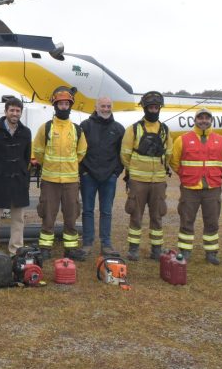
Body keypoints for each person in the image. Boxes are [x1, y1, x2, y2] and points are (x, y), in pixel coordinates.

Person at [169, 107, 222, 265]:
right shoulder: (182, 140)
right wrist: (186, 175)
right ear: (195, 120)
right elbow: (174, 162)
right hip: (190, 187)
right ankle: (185, 250)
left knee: (212, 222)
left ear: (211, 120)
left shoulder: (221, 140)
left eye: (207, 118)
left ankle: (211, 252)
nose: (204, 120)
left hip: (212, 187)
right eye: (200, 118)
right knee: (186, 220)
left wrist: (214, 174)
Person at [120, 91, 173, 261]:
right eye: (150, 107)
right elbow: (125, 154)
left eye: (156, 107)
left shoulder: (165, 130)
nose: (153, 110)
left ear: (159, 108)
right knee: (136, 216)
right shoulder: (133, 129)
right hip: (138, 182)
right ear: (144, 108)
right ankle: (133, 249)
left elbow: (169, 154)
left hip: (158, 182)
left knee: (157, 216)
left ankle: (156, 250)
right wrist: (134, 172)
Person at [32, 86, 84, 260]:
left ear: (70, 106)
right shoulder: (45, 128)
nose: (63, 106)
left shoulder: (76, 129)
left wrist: (70, 167)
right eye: (60, 103)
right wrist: (48, 165)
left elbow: (81, 151)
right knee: (48, 214)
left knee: (71, 215)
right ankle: (45, 248)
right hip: (50, 180)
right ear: (55, 106)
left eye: (66, 104)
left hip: (70, 181)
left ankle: (71, 249)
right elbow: (38, 150)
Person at [0, 97, 32, 255]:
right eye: (12, 110)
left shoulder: (26, 132)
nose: (15, 113)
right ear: (5, 111)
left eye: (18, 110)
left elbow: (26, 157)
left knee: (18, 219)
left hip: (18, 181)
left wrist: (24, 175)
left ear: (21, 112)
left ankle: (15, 250)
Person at [77, 96, 125, 259]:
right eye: (103, 106)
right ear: (96, 107)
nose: (106, 109)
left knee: (106, 211)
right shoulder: (85, 126)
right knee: (88, 211)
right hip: (88, 176)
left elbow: (122, 154)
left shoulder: (118, 128)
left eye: (108, 106)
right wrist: (83, 171)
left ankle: (106, 244)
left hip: (109, 177)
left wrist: (115, 173)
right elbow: (79, 151)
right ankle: (87, 243)